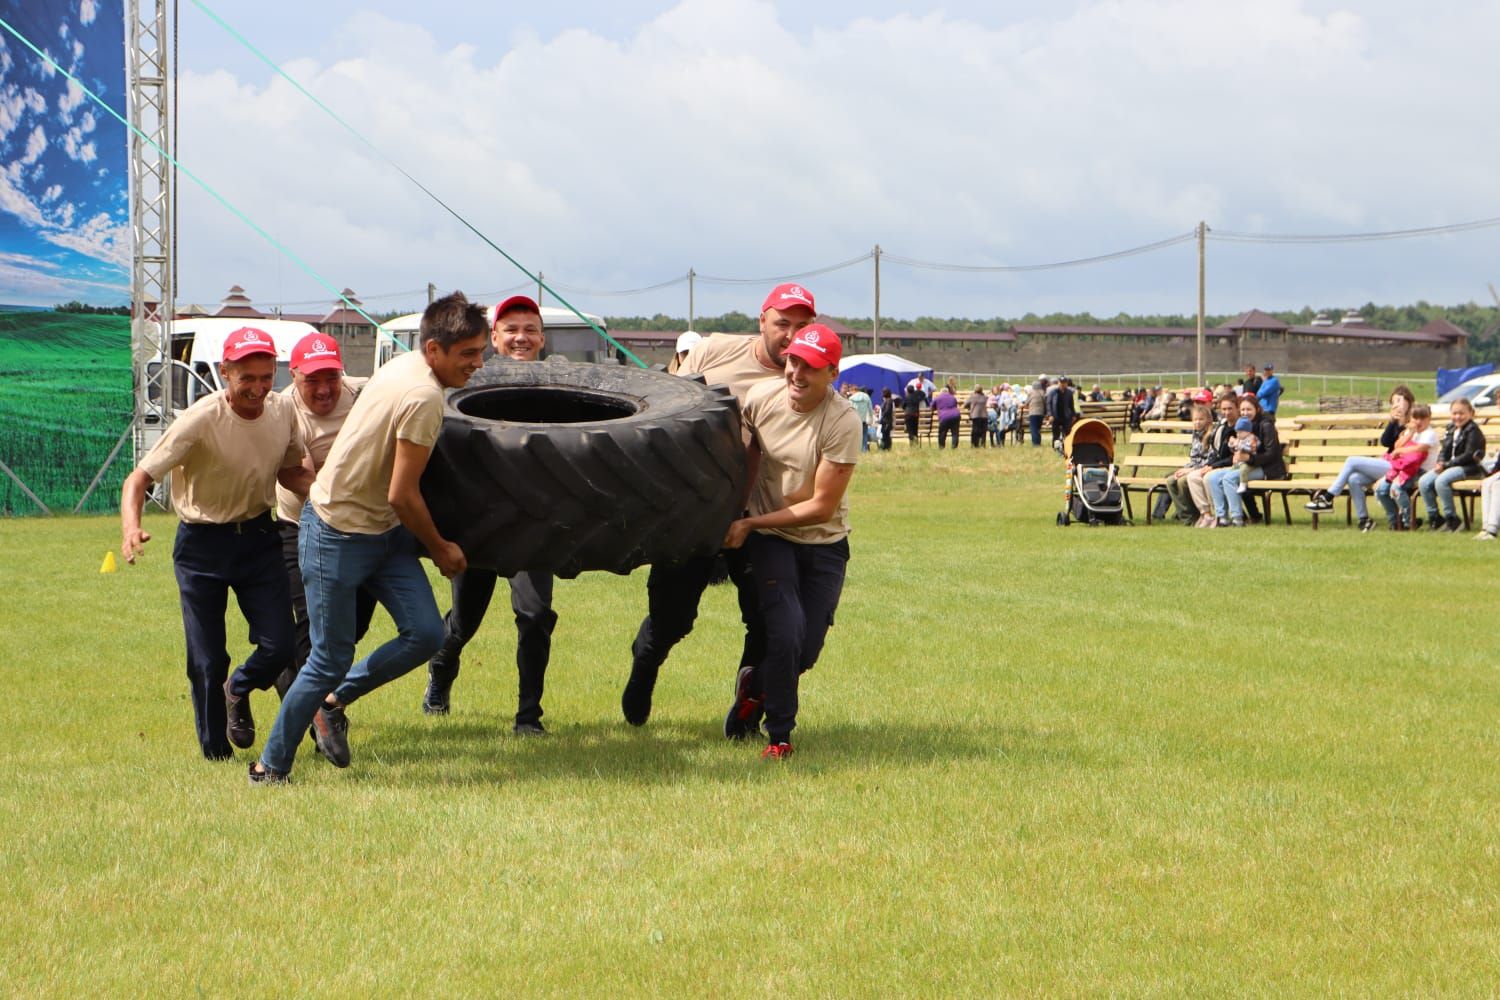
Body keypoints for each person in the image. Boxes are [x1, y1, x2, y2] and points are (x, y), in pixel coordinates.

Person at [249, 292, 488, 783]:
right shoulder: (423, 396)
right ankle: (269, 767)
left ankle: (334, 702)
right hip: (335, 533)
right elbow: (403, 493)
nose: (477, 363)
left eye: (481, 351)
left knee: (425, 633)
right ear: (435, 349)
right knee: (328, 656)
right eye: (468, 353)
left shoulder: (406, 366)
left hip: (383, 533)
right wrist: (442, 549)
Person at [619, 283, 814, 727]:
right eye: (783, 323)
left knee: (766, 623)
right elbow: (663, 408)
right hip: (692, 513)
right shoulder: (714, 351)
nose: (791, 335)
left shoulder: (806, 379)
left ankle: (746, 711)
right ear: (762, 321)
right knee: (672, 620)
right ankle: (646, 660)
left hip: (759, 516)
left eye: (802, 327)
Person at [119, 327, 312, 760]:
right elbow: (139, 479)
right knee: (207, 659)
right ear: (226, 372)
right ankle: (215, 753)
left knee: (280, 645)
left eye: (267, 376)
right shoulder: (200, 419)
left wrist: (324, 491)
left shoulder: (282, 411)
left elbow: (289, 472)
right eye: (248, 378)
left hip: (260, 538)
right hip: (202, 547)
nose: (259, 388)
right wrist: (131, 528)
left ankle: (238, 687)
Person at [423, 296, 563, 734]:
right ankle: (441, 671)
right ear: (494, 339)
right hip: (477, 522)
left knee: (537, 615)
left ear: (541, 338)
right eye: (511, 329)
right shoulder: (468, 382)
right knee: (465, 621)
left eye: (530, 329)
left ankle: (528, 716)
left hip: (532, 522)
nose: (521, 337)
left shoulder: (560, 385)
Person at [722, 323, 859, 758]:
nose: (796, 374)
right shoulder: (760, 399)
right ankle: (779, 736)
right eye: (793, 361)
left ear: (832, 373)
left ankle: (754, 691)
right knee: (785, 632)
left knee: (808, 647)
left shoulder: (843, 421)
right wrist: (736, 513)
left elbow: (821, 507)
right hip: (771, 537)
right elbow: (742, 452)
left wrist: (749, 523)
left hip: (823, 540)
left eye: (810, 367)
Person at [273, 334, 376, 697]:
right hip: (300, 527)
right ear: (294, 375)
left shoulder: (365, 394)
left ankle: (289, 675)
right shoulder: (284, 410)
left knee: (352, 627)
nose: (323, 389)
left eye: (330, 377)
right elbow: (301, 477)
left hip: (360, 528)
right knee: (313, 625)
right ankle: (317, 715)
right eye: (311, 380)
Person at [1304, 404, 1436, 532]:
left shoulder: (1428, 433)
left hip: (1403, 469)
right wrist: (1409, 433)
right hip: (1394, 465)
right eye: (1415, 418)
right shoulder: (1410, 431)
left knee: (1351, 461)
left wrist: (1400, 449)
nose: (1418, 422)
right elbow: (1396, 446)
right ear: (1411, 418)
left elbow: (1419, 449)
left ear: (1429, 418)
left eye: (1422, 418)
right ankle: (1364, 519)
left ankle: (1328, 497)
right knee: (1354, 479)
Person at [1203, 394, 1284, 527]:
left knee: (1229, 478)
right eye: (1243, 410)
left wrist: (1249, 458)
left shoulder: (1266, 425)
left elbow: (1271, 454)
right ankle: (1221, 517)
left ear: (1257, 409)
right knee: (1213, 477)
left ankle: (1237, 518)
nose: (1245, 413)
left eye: (1249, 409)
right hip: (1246, 465)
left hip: (1268, 469)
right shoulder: (1244, 426)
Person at [1417, 398, 1487, 532]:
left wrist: (1446, 465)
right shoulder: (1450, 428)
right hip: (1449, 466)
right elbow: (1444, 449)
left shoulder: (1473, 431)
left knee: (1441, 481)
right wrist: (1441, 462)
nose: (1458, 417)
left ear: (1471, 413)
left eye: (1462, 413)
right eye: (1454, 413)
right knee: (1424, 482)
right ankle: (1435, 518)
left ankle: (1452, 519)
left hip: (1468, 468)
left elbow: (1468, 455)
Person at [1190, 394, 1240, 526]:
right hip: (1219, 465)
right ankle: (1206, 514)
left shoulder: (1240, 427)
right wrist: (1209, 465)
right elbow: (1216, 452)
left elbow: (1232, 458)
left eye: (1230, 409)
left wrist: (1212, 467)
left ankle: (1219, 514)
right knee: (1193, 477)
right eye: (1224, 409)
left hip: (1233, 466)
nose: (1226, 412)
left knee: (1208, 477)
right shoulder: (1222, 427)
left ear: (1237, 408)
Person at [1164, 403, 1213, 524]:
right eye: (1195, 419)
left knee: (1182, 481)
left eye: (1201, 419)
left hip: (1205, 469)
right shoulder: (1196, 434)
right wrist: (1184, 469)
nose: (1197, 422)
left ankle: (1195, 514)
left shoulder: (1210, 435)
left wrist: (1190, 470)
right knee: (1170, 480)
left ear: (1208, 420)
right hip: (1193, 467)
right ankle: (1187, 516)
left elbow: (1210, 460)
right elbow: (1193, 458)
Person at [1050, 376, 1077, 450]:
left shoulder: (1069, 393)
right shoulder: (1053, 392)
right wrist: (1050, 415)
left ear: (1067, 383)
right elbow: (1049, 404)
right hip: (1056, 416)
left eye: (1064, 383)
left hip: (1066, 416)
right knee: (1056, 434)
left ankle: (1067, 447)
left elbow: (1071, 405)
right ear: (1058, 383)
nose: (1062, 384)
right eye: (1061, 383)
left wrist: (1073, 414)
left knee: (1067, 433)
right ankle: (1055, 448)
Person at [847, 383, 874, 452]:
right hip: (863, 420)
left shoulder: (851, 398)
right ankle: (864, 450)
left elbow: (849, 410)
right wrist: (871, 419)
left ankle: (854, 450)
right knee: (864, 436)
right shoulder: (866, 397)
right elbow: (870, 410)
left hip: (854, 421)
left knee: (854, 437)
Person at [932, 383, 961, 448]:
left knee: (942, 433)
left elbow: (932, 407)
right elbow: (955, 405)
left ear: (941, 392)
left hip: (944, 416)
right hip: (955, 415)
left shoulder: (937, 398)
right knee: (955, 433)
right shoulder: (952, 397)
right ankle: (954, 447)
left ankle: (941, 447)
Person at [903, 379, 925, 446]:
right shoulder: (916, 396)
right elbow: (923, 395)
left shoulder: (907, 397)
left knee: (910, 430)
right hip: (915, 414)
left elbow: (903, 406)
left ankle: (912, 440)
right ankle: (916, 441)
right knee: (915, 429)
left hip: (908, 414)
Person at [1025, 378, 1046, 446]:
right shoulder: (1042, 393)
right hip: (1041, 413)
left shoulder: (1031, 393)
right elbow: (1045, 403)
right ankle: (1038, 442)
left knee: (1033, 428)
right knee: (1038, 428)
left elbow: (1026, 403)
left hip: (1033, 413)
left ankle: (1035, 443)